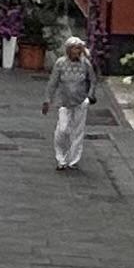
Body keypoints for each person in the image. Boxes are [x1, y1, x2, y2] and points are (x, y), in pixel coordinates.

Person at [48, 31, 98, 171]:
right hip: (64, 102)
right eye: (74, 48)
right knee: (62, 129)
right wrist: (48, 99)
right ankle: (60, 157)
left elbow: (92, 80)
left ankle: (73, 160)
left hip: (80, 101)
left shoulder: (85, 64)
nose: (76, 51)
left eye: (78, 49)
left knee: (77, 131)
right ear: (68, 50)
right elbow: (53, 82)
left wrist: (90, 95)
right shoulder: (60, 63)